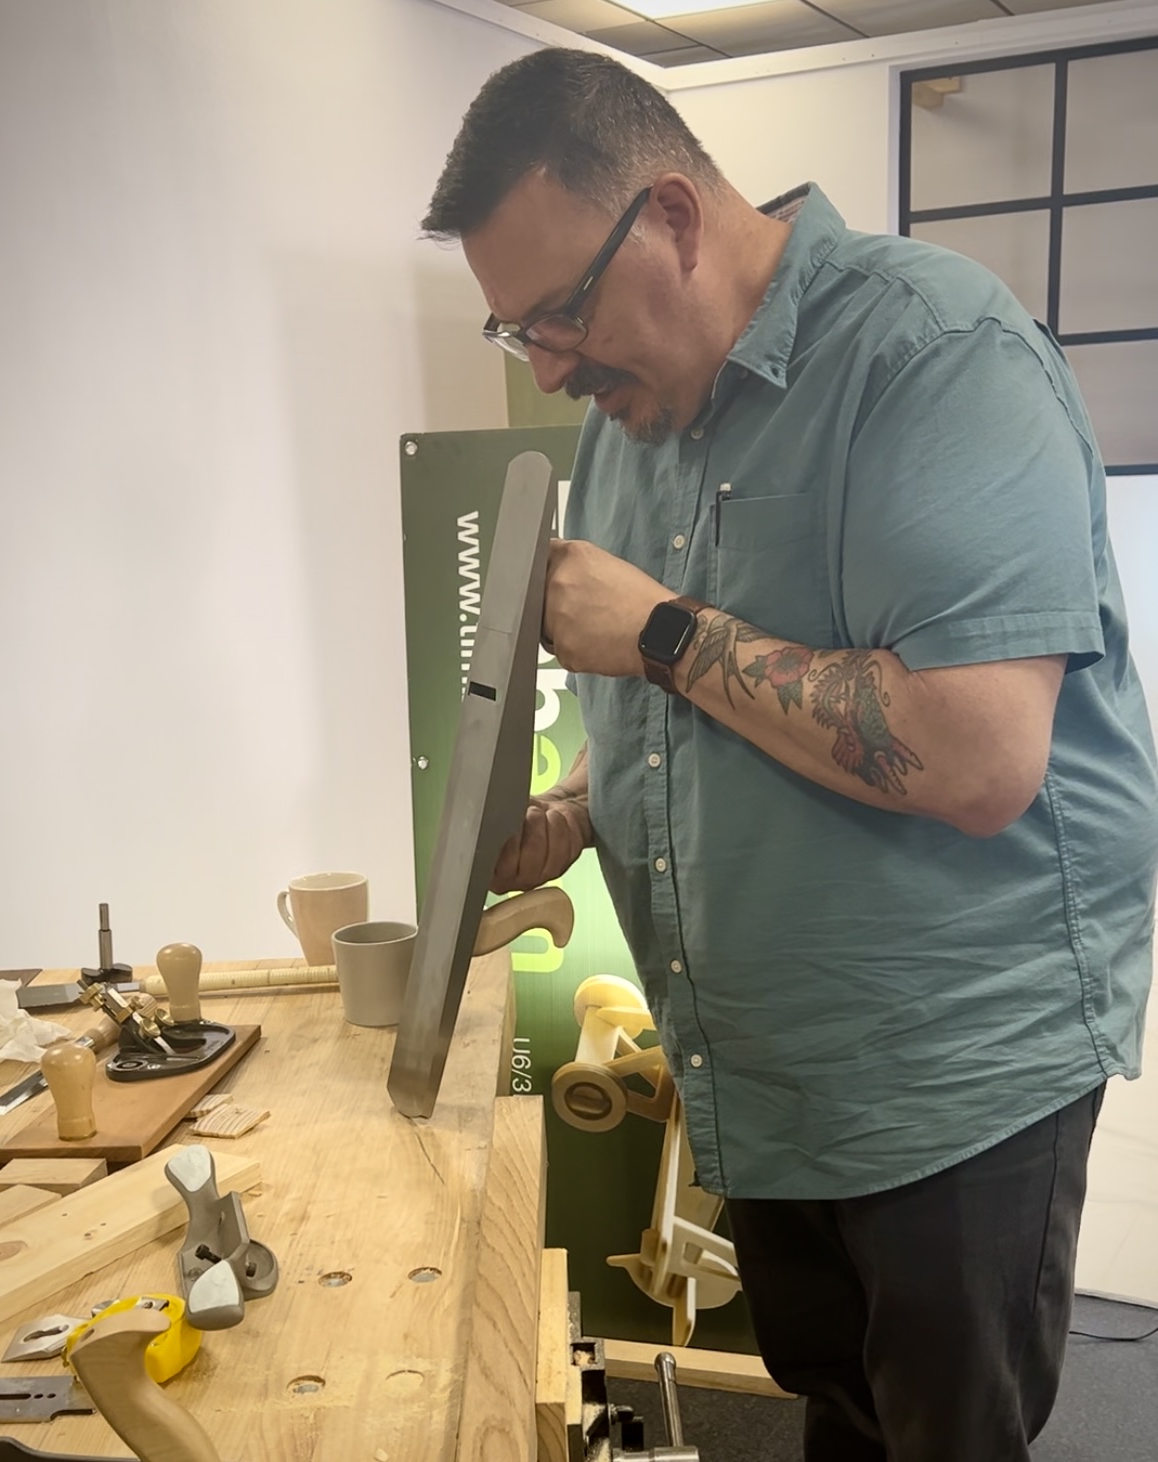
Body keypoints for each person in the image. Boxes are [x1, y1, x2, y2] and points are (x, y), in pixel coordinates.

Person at [423, 47, 1158, 1462]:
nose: (554, 367)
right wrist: (579, 804)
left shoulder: (933, 355)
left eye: (561, 314)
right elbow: (698, 689)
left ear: (675, 219)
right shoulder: (631, 416)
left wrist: (653, 632)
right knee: (837, 1412)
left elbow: (971, 753)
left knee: (946, 1435)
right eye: (515, 333)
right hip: (762, 1067)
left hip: (951, 1073)